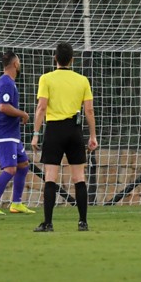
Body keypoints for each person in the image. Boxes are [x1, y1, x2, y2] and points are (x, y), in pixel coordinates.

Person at [30, 43, 98, 232]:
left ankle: (48, 223)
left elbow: (41, 107)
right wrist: (92, 135)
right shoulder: (82, 80)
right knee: (79, 178)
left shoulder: (46, 78)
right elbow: (89, 110)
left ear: (55, 58)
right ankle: (83, 222)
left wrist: (35, 134)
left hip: (54, 130)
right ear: (72, 59)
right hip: (74, 130)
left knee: (50, 177)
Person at [0, 51, 34, 215]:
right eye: (19, 62)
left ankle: (16, 203)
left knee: (23, 164)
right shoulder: (6, 83)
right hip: (4, 134)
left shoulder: (4, 82)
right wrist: (23, 114)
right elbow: (3, 107)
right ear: (15, 64)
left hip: (10, 132)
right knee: (11, 169)